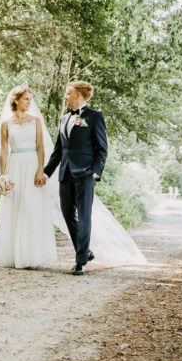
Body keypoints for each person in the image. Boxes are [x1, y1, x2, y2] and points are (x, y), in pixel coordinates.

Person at [43, 81, 107, 275]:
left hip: (86, 174)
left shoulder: (94, 117)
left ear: (78, 96)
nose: (65, 97)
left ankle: (80, 262)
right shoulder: (63, 119)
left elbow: (102, 149)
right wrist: (45, 173)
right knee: (67, 213)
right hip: (65, 174)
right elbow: (58, 151)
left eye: (68, 93)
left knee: (84, 215)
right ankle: (85, 251)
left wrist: (96, 171)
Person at [0, 86, 57, 269]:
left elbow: (41, 147)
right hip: (15, 165)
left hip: (32, 165)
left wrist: (40, 170)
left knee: (30, 206)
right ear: (16, 100)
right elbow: (4, 151)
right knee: (16, 206)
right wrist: (3, 176)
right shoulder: (6, 124)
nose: (29, 102)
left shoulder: (35, 120)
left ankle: (31, 255)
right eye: (26, 99)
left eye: (30, 99)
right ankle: (13, 255)